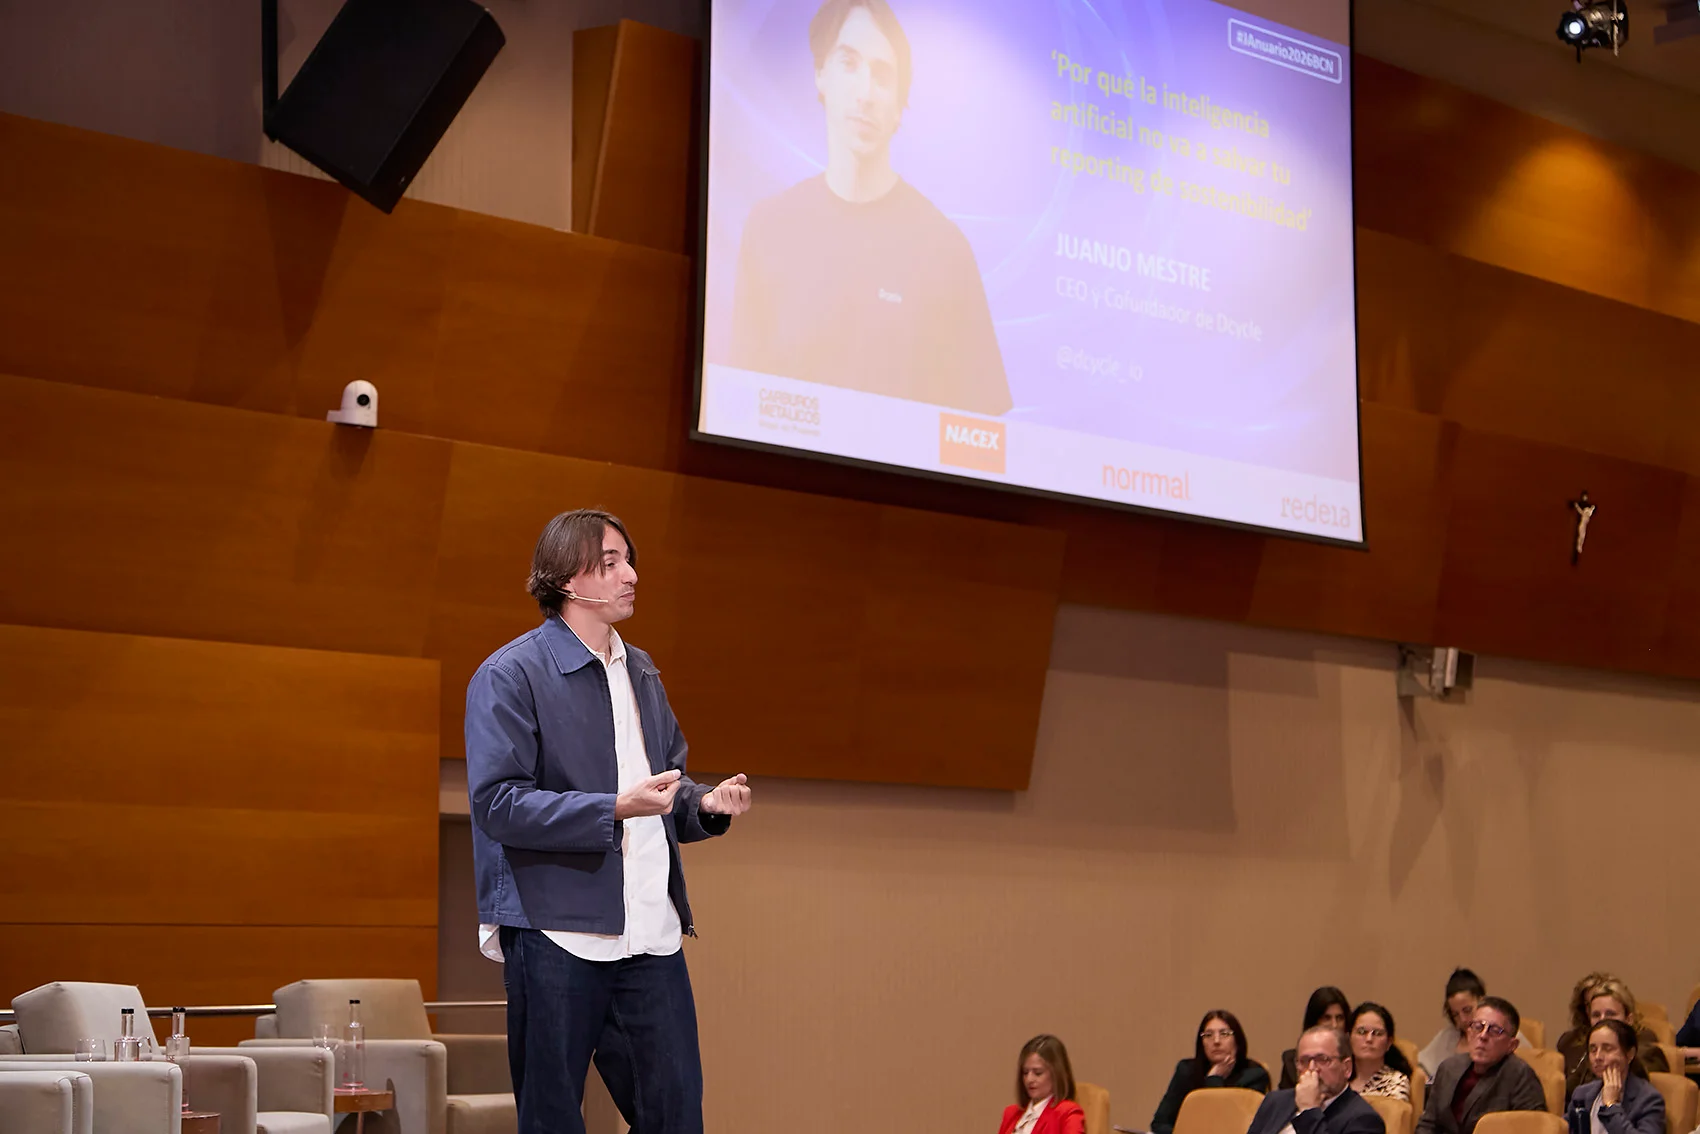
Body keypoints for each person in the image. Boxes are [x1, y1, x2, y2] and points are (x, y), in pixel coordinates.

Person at [465, 509, 755, 1134]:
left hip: (651, 932)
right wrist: (613, 807)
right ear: (568, 580)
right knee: (552, 1118)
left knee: (676, 1117)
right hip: (556, 933)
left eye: (629, 560)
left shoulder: (642, 671)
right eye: (610, 563)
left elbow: (666, 786)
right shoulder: (510, 674)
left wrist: (703, 804)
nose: (630, 575)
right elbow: (498, 804)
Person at [728, 0, 1013, 417]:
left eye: (882, 76)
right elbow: (740, 402)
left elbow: (984, 429)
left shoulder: (945, 249)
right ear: (821, 75)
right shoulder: (768, 228)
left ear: (900, 106)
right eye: (849, 63)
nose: (865, 94)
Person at [1415, 998, 1548, 1134]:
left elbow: (1533, 1128)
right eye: (1478, 1027)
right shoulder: (1448, 1068)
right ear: (1469, 1033)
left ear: (1511, 1045)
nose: (1483, 1036)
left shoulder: (1521, 1076)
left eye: (1495, 1031)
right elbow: (1428, 1124)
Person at [1245, 1026, 1386, 1134]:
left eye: (1323, 1060)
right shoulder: (1275, 1101)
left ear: (1347, 1068)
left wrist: (1309, 1110)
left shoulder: (1364, 1120)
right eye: (1304, 1061)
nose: (1312, 1068)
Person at [1150, 1010, 1271, 1134]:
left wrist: (1214, 1079)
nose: (1216, 1041)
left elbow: (1223, 1126)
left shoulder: (1254, 1075)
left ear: (1238, 1041)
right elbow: (1160, 1123)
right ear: (1201, 1043)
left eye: (1224, 1034)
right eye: (1208, 1035)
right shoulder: (1187, 1071)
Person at [1554, 974, 1670, 1096]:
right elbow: (1569, 1096)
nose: (1602, 1021)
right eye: (1596, 1015)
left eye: (1610, 1014)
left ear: (1628, 1019)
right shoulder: (1591, 1055)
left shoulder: (1645, 1054)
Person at [1417, 969, 1529, 1077]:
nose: (1463, 1020)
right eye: (1455, 1014)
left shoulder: (1505, 1036)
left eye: (1467, 1010)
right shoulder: (1448, 1036)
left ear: (1482, 1001)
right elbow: (1420, 1065)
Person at [1562, 1019, 1666, 1134]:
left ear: (1630, 1054)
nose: (1597, 1057)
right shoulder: (1582, 1094)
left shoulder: (1648, 1099)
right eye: (1593, 1049)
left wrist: (1611, 1106)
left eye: (1607, 1048)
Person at [998, 1034, 1086, 1134]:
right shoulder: (1011, 1114)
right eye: (1025, 1072)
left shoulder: (1068, 1113)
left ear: (1056, 1074)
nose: (1029, 1079)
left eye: (1038, 1073)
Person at [1280, 988, 1352, 1089]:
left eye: (1339, 1018)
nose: (1334, 1025)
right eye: (1327, 1018)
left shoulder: (1352, 1060)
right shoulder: (1291, 1062)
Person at [1348, 1002, 1414, 1101]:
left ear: (1389, 1042)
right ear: (1349, 1037)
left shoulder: (1396, 1082)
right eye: (1361, 1032)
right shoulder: (1338, 1077)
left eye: (1377, 1033)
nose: (1369, 1039)